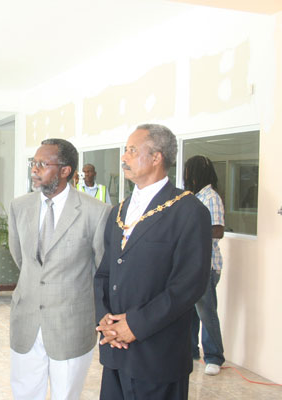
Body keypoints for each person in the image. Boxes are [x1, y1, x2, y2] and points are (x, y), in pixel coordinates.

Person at [94, 124, 212, 400]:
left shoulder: (188, 211)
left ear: (157, 157)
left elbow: (189, 285)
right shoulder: (118, 211)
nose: (124, 157)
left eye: (132, 151)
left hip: (158, 354)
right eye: (125, 150)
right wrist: (105, 320)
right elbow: (104, 273)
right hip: (115, 350)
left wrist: (134, 325)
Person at [8, 138, 110, 400]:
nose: (34, 169)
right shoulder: (19, 207)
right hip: (26, 320)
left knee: (66, 395)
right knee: (25, 393)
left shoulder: (96, 212)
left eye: (42, 164)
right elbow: (22, 259)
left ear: (65, 170)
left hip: (71, 324)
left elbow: (102, 270)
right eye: (34, 163)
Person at [184, 155, 226, 376]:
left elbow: (218, 230)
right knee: (189, 310)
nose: (186, 176)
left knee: (206, 312)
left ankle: (214, 357)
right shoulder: (195, 196)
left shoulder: (211, 197)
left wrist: (190, 232)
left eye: (189, 171)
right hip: (192, 265)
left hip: (207, 266)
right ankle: (191, 350)